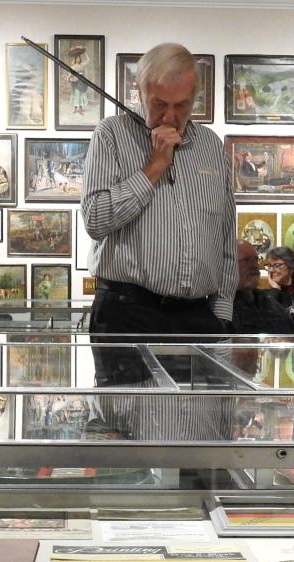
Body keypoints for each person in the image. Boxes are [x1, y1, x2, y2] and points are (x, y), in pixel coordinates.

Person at [81, 41, 237, 384]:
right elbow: (95, 220)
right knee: (127, 425)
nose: (169, 117)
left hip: (197, 317)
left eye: (181, 105)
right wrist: (153, 168)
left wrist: (222, 316)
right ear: (139, 91)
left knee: (197, 428)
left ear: (195, 99)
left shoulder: (211, 146)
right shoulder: (111, 135)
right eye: (159, 104)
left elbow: (226, 237)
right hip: (127, 313)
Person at [232, 240, 294, 335]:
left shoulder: (264, 300)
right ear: (228, 265)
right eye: (246, 260)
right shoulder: (222, 305)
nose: (254, 266)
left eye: (256, 259)